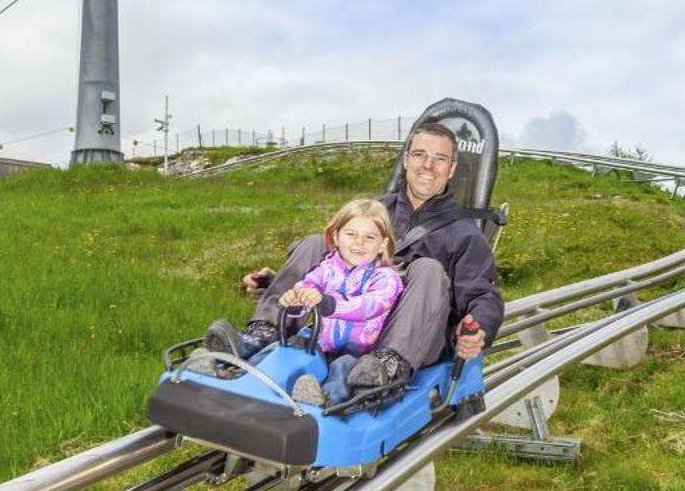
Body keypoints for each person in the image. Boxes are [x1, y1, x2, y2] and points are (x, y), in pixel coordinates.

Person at [211, 120, 504, 395]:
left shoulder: (465, 235)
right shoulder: (374, 211)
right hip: (347, 319)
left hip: (409, 334)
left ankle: (387, 364)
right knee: (315, 242)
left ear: (451, 169)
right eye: (419, 154)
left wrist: (479, 326)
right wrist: (278, 283)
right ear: (406, 160)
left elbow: (484, 296)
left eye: (439, 158)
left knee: (426, 269)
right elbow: (336, 266)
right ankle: (263, 331)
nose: (428, 165)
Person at [262, 199, 403, 406]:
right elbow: (308, 286)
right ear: (336, 236)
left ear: (382, 244)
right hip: (319, 344)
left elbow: (371, 306)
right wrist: (296, 299)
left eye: (369, 237)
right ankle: (243, 371)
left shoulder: (386, 278)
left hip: (358, 352)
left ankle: (325, 399)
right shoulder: (327, 269)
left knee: (344, 368)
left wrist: (330, 304)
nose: (359, 243)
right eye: (351, 234)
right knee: (290, 346)